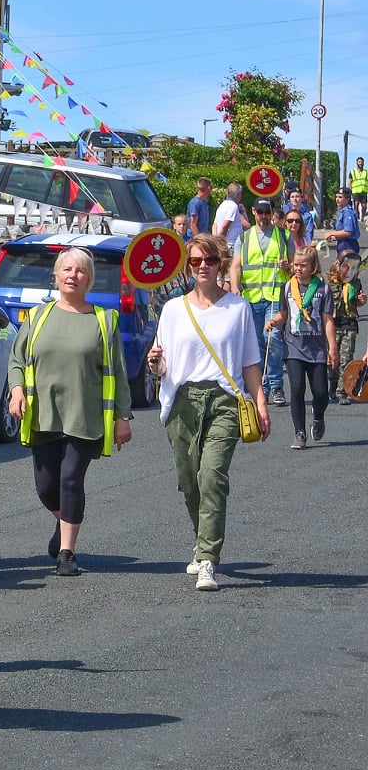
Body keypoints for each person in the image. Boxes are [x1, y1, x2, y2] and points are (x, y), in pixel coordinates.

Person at [148, 232, 270, 592]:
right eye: (196, 261)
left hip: (225, 400)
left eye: (210, 260)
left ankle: (207, 560)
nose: (203, 267)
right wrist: (155, 363)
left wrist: (260, 402)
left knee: (212, 477)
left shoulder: (238, 309)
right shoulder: (172, 310)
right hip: (182, 400)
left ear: (220, 263)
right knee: (189, 481)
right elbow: (162, 364)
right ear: (188, 266)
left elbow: (250, 361)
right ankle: (202, 538)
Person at [5, 247, 133, 576]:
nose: (73, 275)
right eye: (67, 270)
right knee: (46, 487)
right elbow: (17, 360)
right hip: (43, 415)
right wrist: (16, 390)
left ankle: (67, 553)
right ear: (57, 276)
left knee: (71, 480)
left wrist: (122, 417)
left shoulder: (104, 320)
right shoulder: (37, 316)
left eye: (80, 271)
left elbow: (117, 371)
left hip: (86, 417)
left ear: (89, 279)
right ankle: (63, 525)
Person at [273, 245, 337, 449]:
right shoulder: (287, 288)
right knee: (297, 388)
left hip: (317, 348)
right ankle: (299, 433)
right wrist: (274, 321)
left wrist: (332, 347)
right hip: (293, 347)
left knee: (320, 393)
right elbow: (284, 314)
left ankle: (318, 416)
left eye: (303, 265)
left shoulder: (323, 289)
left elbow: (327, 320)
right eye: (296, 265)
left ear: (313, 267)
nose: (298, 269)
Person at [232, 197, 291, 406]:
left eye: (267, 212)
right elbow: (236, 266)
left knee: (273, 339)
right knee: (255, 345)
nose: (264, 216)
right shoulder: (244, 238)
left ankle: (275, 385)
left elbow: (296, 267)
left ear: (271, 213)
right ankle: (260, 387)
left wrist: (288, 266)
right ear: (253, 212)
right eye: (260, 212)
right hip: (251, 298)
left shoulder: (283, 235)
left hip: (275, 298)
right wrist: (234, 287)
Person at [330, 250, 362, 404]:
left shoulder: (356, 284)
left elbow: (357, 302)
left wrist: (362, 300)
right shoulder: (330, 283)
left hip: (349, 325)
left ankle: (342, 392)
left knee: (346, 360)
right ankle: (332, 385)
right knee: (332, 361)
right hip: (333, 326)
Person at [322, 188, 359, 256]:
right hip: (343, 243)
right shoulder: (343, 211)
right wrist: (335, 236)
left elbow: (348, 232)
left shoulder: (347, 212)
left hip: (348, 245)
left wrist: (331, 233)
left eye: (340, 197)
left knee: (346, 265)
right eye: (336, 197)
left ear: (347, 199)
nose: (337, 199)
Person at [212, 182, 247, 253]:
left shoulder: (222, 205)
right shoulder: (232, 206)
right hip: (232, 246)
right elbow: (225, 225)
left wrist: (215, 241)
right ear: (238, 194)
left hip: (225, 245)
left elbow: (214, 225)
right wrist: (220, 242)